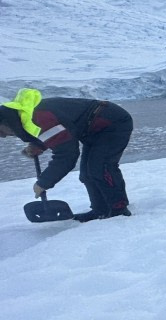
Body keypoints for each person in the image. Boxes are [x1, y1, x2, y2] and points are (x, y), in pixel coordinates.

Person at [0, 88, 132, 221]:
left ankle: (118, 209)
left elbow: (67, 155)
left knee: (101, 168)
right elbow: (59, 131)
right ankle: (100, 210)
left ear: (5, 122)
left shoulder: (40, 117)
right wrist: (39, 145)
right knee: (87, 174)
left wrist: (43, 182)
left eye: (1, 132)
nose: (3, 136)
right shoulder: (24, 116)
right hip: (92, 130)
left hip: (112, 123)